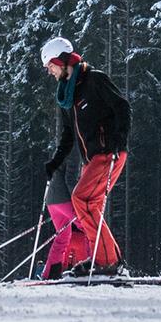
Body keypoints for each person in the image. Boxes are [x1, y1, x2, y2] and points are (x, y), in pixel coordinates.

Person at [40, 36, 130, 278]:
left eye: (50, 65)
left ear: (62, 61)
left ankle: (107, 262)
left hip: (107, 153)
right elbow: (69, 134)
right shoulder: (67, 96)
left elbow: (122, 107)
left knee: (82, 200)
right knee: (91, 207)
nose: (49, 71)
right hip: (92, 160)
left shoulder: (94, 80)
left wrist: (119, 140)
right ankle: (108, 259)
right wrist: (56, 161)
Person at [40, 145, 87, 277]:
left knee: (63, 236)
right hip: (64, 199)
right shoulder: (75, 150)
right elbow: (70, 179)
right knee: (88, 228)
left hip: (52, 201)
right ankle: (91, 266)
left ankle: (51, 273)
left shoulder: (62, 149)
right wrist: (79, 203)